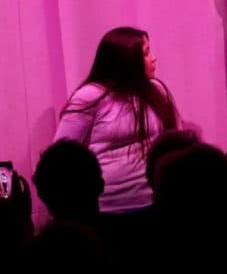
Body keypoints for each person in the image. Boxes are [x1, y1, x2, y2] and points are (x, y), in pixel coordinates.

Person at [54, 27, 180, 213]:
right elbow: (59, 156)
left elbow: (176, 140)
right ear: (127, 61)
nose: (153, 58)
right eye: (146, 53)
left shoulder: (156, 89)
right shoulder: (89, 96)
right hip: (107, 209)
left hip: (155, 201)